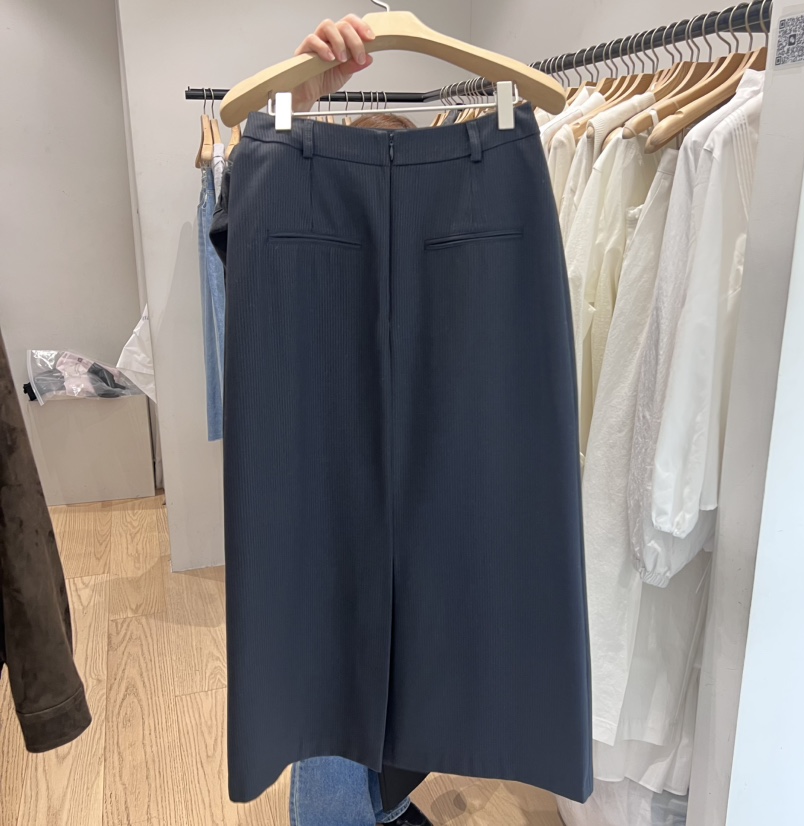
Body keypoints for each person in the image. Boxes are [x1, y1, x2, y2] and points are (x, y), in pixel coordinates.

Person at [283, 14, 433, 826]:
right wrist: (297, 104)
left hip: (416, 512)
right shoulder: (304, 263)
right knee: (336, 676)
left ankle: (387, 799)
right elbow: (254, 234)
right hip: (330, 519)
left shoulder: (443, 276)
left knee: (406, 678)